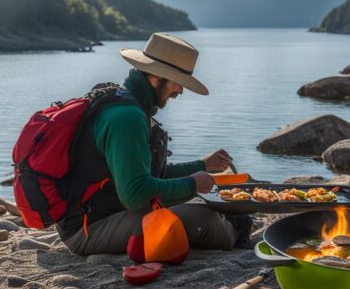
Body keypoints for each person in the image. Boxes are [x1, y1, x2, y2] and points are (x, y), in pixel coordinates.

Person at [55, 33, 252, 256]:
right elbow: (135, 194)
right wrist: (192, 184)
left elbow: (151, 175)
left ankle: (233, 222)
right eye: (178, 82)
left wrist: (203, 165)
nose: (181, 90)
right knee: (203, 218)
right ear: (157, 76)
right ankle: (236, 231)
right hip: (88, 230)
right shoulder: (127, 117)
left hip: (111, 215)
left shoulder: (129, 105)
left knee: (201, 203)